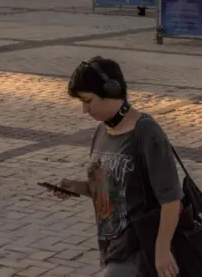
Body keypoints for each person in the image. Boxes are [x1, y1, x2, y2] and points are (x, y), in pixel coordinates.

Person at [48, 57, 183, 276]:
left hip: (138, 255)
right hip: (111, 250)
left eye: (88, 101)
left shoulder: (146, 133)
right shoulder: (102, 131)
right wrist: (79, 187)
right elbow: (114, 191)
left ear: (111, 90)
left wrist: (162, 250)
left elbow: (171, 199)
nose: (84, 109)